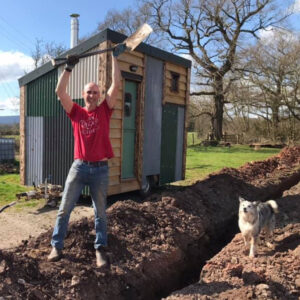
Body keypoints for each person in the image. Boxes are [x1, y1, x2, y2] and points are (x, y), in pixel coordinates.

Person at [47, 44, 126, 267]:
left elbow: (116, 85)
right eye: (88, 92)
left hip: (100, 169)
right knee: (64, 210)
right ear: (83, 95)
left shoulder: (105, 110)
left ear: (99, 95)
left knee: (100, 212)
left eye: (95, 92)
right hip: (79, 167)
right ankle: (56, 246)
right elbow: (60, 92)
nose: (92, 95)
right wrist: (69, 67)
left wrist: (115, 58)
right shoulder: (76, 112)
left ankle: (100, 249)